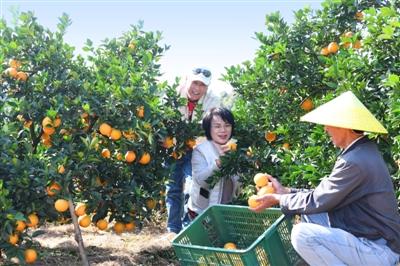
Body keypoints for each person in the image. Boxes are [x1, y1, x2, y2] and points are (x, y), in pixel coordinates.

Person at [250, 91, 400, 266]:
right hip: (375, 239)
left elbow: (317, 200)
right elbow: (324, 196)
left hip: (379, 250)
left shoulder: (354, 161)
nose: (325, 129)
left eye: (329, 124)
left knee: (302, 235)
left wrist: (278, 198)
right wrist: (286, 192)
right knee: (309, 214)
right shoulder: (361, 151)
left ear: (345, 125)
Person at [166, 67, 221, 235]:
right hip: (173, 147)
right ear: (186, 81)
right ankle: (172, 230)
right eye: (194, 83)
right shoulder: (173, 95)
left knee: (193, 188)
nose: (197, 88)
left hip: (197, 148)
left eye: (202, 85)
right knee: (173, 188)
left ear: (207, 87)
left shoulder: (213, 101)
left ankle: (187, 230)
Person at [187, 107, 241, 220]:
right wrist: (218, 163)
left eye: (227, 125)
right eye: (217, 126)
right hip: (202, 213)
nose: (223, 130)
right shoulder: (201, 151)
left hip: (227, 212)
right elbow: (202, 181)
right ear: (209, 129)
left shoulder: (236, 149)